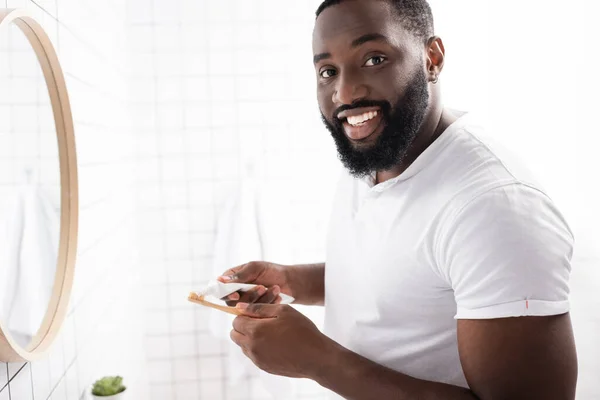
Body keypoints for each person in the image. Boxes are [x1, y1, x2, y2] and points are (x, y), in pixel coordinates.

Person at [218, 0, 578, 398]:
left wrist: (319, 361)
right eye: (327, 71)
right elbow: (411, 272)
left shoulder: (493, 207)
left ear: (431, 58)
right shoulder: (380, 149)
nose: (346, 92)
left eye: (374, 58)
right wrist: (292, 281)